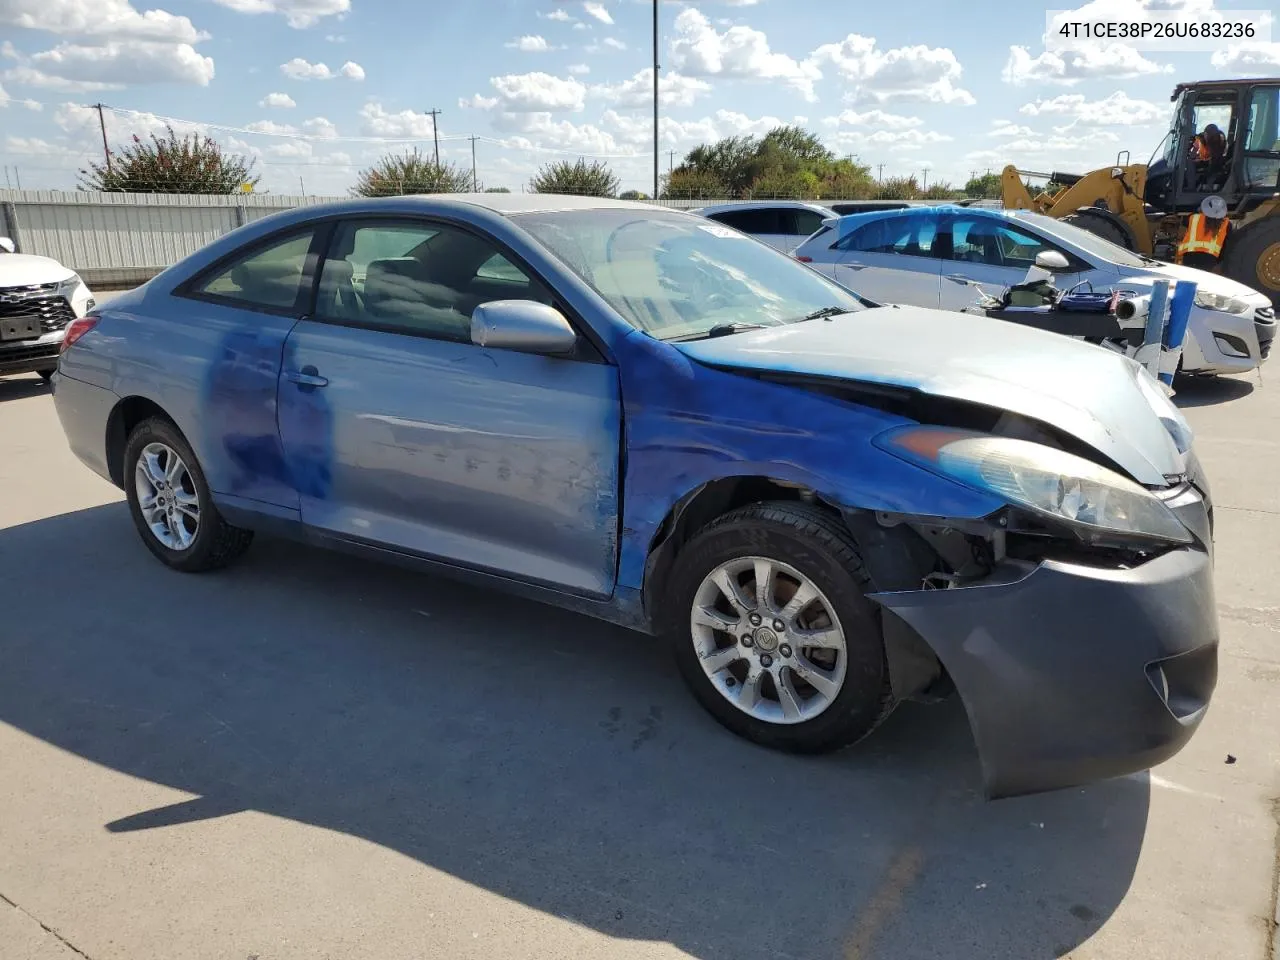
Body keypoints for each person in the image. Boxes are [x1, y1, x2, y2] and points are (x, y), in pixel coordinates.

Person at [1176, 194, 1232, 272]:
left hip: (1189, 256)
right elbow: (1226, 246)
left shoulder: (1192, 217)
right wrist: (1219, 261)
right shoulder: (1227, 224)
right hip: (1209, 259)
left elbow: (1181, 233)